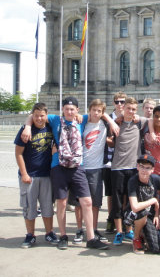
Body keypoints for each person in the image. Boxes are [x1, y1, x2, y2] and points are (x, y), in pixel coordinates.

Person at [21, 96, 115, 250]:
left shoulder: (82, 119)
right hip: (59, 166)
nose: (69, 111)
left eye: (72, 109)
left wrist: (110, 121)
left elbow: (98, 112)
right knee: (62, 203)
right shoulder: (55, 120)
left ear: (77, 110)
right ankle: (63, 236)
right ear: (62, 110)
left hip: (78, 167)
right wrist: (27, 126)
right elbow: (35, 115)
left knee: (87, 202)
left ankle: (91, 237)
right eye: (66, 109)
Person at [14, 102, 58, 248]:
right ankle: (30, 235)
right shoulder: (25, 130)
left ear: (46, 116)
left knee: (48, 207)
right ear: (33, 115)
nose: (39, 118)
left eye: (42, 116)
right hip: (29, 175)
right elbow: (18, 153)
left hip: (46, 174)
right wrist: (24, 174)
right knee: (29, 207)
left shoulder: (50, 127)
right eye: (36, 116)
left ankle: (49, 233)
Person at [72, 99, 113, 244]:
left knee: (95, 203)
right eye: (94, 110)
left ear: (102, 113)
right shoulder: (81, 122)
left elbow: (116, 122)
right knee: (79, 203)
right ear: (89, 110)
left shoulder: (104, 123)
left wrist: (108, 118)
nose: (96, 113)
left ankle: (94, 229)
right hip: (81, 167)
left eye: (99, 111)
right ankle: (79, 229)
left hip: (96, 169)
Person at [111, 97, 149, 246]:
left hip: (134, 167)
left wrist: (140, 117)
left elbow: (154, 120)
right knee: (118, 201)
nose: (131, 112)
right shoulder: (115, 123)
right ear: (123, 108)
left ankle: (129, 229)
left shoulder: (140, 122)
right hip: (118, 167)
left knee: (131, 201)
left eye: (134, 109)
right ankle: (119, 232)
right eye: (128, 109)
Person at [127, 154, 160, 254]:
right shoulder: (133, 181)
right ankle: (136, 238)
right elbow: (134, 207)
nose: (144, 170)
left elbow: (158, 198)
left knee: (157, 248)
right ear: (137, 167)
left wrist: (157, 215)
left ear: (152, 170)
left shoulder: (156, 179)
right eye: (142, 166)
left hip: (150, 214)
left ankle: (144, 234)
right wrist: (152, 201)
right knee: (142, 213)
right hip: (133, 215)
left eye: (148, 168)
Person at [104, 91, 126, 234]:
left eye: (122, 102)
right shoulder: (107, 119)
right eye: (117, 102)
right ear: (113, 103)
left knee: (124, 193)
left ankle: (123, 220)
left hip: (124, 160)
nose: (119, 104)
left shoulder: (129, 118)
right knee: (111, 193)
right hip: (109, 161)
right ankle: (111, 219)